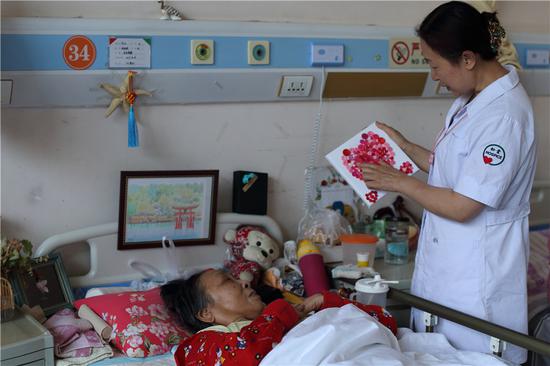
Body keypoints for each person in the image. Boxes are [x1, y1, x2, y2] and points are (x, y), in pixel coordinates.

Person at [361, 1, 536, 363]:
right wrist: (405, 147)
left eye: (434, 65)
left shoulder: (505, 116)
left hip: (478, 284)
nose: (434, 76)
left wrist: (401, 182)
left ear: (468, 59)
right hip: (449, 274)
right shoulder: (470, 100)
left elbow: (463, 204)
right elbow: (453, 170)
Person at [161, 269, 397, 366]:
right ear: (205, 313)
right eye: (228, 282)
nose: (244, 281)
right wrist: (280, 311)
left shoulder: (286, 318)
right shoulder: (199, 347)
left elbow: (386, 324)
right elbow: (244, 354)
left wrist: (326, 302)